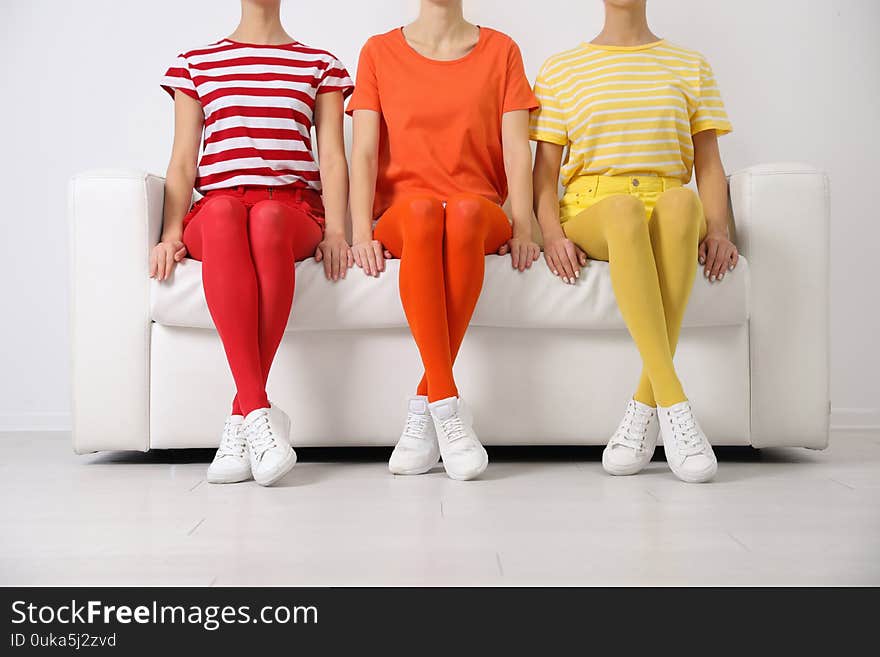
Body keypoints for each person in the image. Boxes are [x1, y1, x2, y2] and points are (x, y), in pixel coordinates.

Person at [531, 0, 737, 483]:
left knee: (685, 203)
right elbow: (544, 176)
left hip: (669, 204)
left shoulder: (691, 65)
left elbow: (707, 164)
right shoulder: (561, 69)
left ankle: (644, 411)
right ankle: (676, 403)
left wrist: (721, 230)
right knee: (623, 209)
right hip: (594, 209)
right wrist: (552, 233)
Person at [152, 0, 353, 486]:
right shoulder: (194, 64)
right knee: (223, 211)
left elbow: (331, 153)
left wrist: (338, 230)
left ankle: (242, 420)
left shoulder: (320, 64)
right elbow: (182, 161)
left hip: (292, 209)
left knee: (266, 218)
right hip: (217, 208)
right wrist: (170, 232)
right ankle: (259, 412)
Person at [347, 0, 540, 480]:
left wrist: (525, 225)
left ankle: (426, 404)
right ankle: (447, 405)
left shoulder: (502, 51)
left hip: (480, 212)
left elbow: (518, 152)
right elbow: (365, 152)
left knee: (468, 210)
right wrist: (357, 231)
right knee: (422, 211)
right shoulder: (377, 52)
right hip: (403, 215)